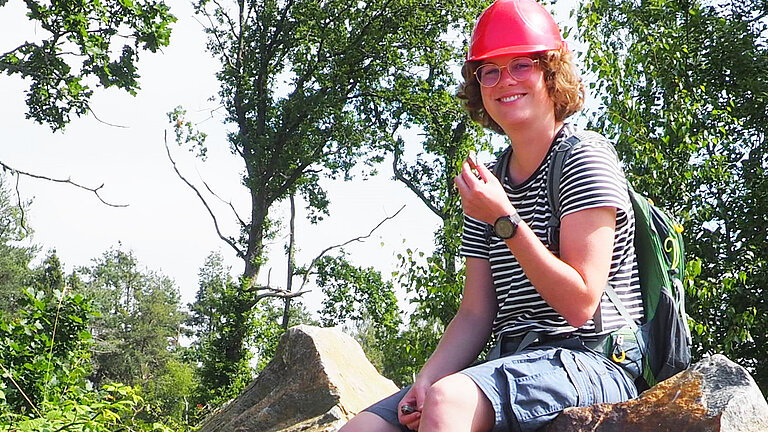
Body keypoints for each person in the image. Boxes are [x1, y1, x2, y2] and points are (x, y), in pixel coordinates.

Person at [340, 0, 643, 431]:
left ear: (551, 73)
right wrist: (425, 378)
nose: (505, 81)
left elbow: (580, 303)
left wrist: (504, 217)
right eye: (491, 70)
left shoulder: (584, 158)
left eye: (521, 65)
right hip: (514, 361)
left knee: (449, 403)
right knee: (365, 427)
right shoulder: (489, 181)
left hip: (595, 358)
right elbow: (475, 314)